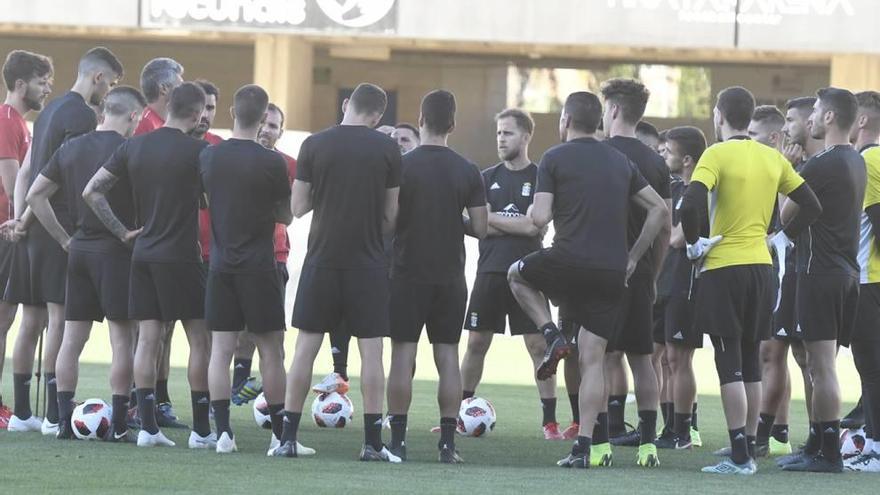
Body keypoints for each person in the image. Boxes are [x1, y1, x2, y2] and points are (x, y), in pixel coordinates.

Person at [507, 90, 668, 469]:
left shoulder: (554, 157)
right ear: (599, 120)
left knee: (516, 275)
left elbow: (539, 219)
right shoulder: (619, 160)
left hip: (567, 262)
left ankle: (551, 335)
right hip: (613, 270)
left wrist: (533, 206)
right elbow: (659, 211)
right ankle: (586, 448)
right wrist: (633, 257)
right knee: (595, 358)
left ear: (565, 120)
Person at [679, 86, 822, 475]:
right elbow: (812, 204)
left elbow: (690, 203)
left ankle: (741, 456)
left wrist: (694, 244)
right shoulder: (771, 158)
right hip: (762, 269)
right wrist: (781, 237)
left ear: (718, 116)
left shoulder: (716, 153)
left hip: (724, 267)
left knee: (729, 363)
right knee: (750, 363)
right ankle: (749, 445)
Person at [272, 83, 401, 462]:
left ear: (346, 105)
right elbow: (392, 216)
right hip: (368, 262)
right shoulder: (387, 148)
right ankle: (373, 444)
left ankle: (288, 440)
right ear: (378, 116)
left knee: (304, 350)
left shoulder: (314, 144)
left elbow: (297, 207)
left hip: (322, 260)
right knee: (372, 352)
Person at [83, 82, 212, 448]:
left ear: (168, 105)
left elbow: (91, 191)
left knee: (148, 340)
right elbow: (208, 200)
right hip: (182, 257)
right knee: (199, 340)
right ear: (198, 113)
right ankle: (202, 432)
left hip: (143, 254)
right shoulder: (200, 151)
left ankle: (149, 429)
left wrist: (123, 232)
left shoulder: (134, 145)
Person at [5, 46, 122, 434]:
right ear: (99, 78)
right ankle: (56, 417)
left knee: (31, 320)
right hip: (58, 228)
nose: (110, 94)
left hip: (33, 229)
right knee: (58, 320)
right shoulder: (83, 116)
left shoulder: (52, 108)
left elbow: (28, 174)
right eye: (113, 84)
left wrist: (20, 219)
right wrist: (61, 233)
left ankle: (23, 413)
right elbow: (66, 179)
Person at [26, 86, 145, 441]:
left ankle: (63, 421)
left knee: (71, 338)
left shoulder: (71, 147)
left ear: (103, 111)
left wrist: (65, 239)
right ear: (134, 116)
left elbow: (35, 195)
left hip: (79, 252)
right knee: (122, 339)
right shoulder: (131, 150)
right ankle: (120, 424)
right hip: (116, 254)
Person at [386, 90, 487, 464]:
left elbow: (390, 221)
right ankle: (447, 444)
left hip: (407, 271)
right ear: (453, 125)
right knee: (447, 355)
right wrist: (451, 217)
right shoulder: (467, 169)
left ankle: (397, 442)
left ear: (421, 119)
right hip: (450, 277)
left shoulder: (402, 165)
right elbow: (480, 226)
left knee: (402, 354)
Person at [201, 84, 292, 455]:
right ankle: (280, 437)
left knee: (220, 351)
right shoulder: (272, 161)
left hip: (220, 265)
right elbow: (286, 215)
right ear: (261, 120)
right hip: (259, 266)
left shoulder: (209, 156)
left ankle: (223, 434)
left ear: (232, 113)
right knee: (271, 351)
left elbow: (204, 200)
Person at [779, 88, 865, 473]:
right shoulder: (855, 160)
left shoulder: (823, 163)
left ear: (830, 117)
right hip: (844, 272)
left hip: (820, 271)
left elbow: (784, 216)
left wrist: (788, 170)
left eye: (814, 111)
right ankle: (817, 443)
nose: (809, 118)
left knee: (821, 366)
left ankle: (829, 453)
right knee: (819, 364)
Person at [459, 108, 558, 439]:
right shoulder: (485, 178)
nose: (501, 138)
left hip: (529, 275)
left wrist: (494, 220)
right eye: (499, 132)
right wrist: (518, 225)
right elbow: (477, 225)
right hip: (489, 271)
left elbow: (536, 225)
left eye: (508, 133)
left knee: (537, 346)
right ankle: (460, 413)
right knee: (476, 343)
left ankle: (549, 423)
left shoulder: (542, 177)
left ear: (526, 137)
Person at [599, 79, 671, 465]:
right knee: (643, 359)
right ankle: (647, 444)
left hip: (602, 273)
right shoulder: (656, 162)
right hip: (642, 274)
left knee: (598, 357)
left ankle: (599, 441)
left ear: (611, 110)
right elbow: (664, 226)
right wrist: (653, 274)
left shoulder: (598, 155)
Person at [132, 57, 187, 429]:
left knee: (161, 330)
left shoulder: (159, 127)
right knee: (147, 332)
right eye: (179, 83)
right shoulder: (146, 130)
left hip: (156, 244)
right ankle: (142, 406)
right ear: (165, 89)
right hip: (149, 245)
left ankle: (158, 402)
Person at [0, 49, 53, 429]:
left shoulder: (19, 123)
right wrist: (20, 222)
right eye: (41, 81)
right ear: (21, 84)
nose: (47, 88)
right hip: (5, 232)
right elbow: (11, 181)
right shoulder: (7, 121)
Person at [230, 102, 296, 407]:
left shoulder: (289, 165)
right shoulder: (228, 157)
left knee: (271, 334)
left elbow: (291, 213)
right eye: (263, 123)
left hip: (273, 256)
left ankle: (276, 408)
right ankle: (237, 386)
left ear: (281, 132)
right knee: (232, 332)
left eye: (273, 125)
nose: (267, 130)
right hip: (229, 255)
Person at [654, 126, 707, 450]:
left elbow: (674, 237)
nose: (663, 157)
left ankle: (683, 431)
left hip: (685, 286)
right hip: (663, 284)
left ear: (686, 159)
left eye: (668, 152)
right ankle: (669, 427)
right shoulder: (674, 188)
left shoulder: (699, 193)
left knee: (678, 359)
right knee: (661, 360)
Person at [748, 104, 797, 457]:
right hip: (781, 270)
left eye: (753, 135)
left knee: (773, 352)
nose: (748, 142)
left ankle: (764, 437)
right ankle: (778, 433)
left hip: (792, 272)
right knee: (776, 354)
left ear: (775, 136)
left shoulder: (795, 168)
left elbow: (785, 219)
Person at [846, 90, 880, 472]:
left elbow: (876, 216)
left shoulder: (868, 160)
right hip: (869, 278)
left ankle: (875, 445)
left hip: (869, 278)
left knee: (871, 367)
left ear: (863, 121)